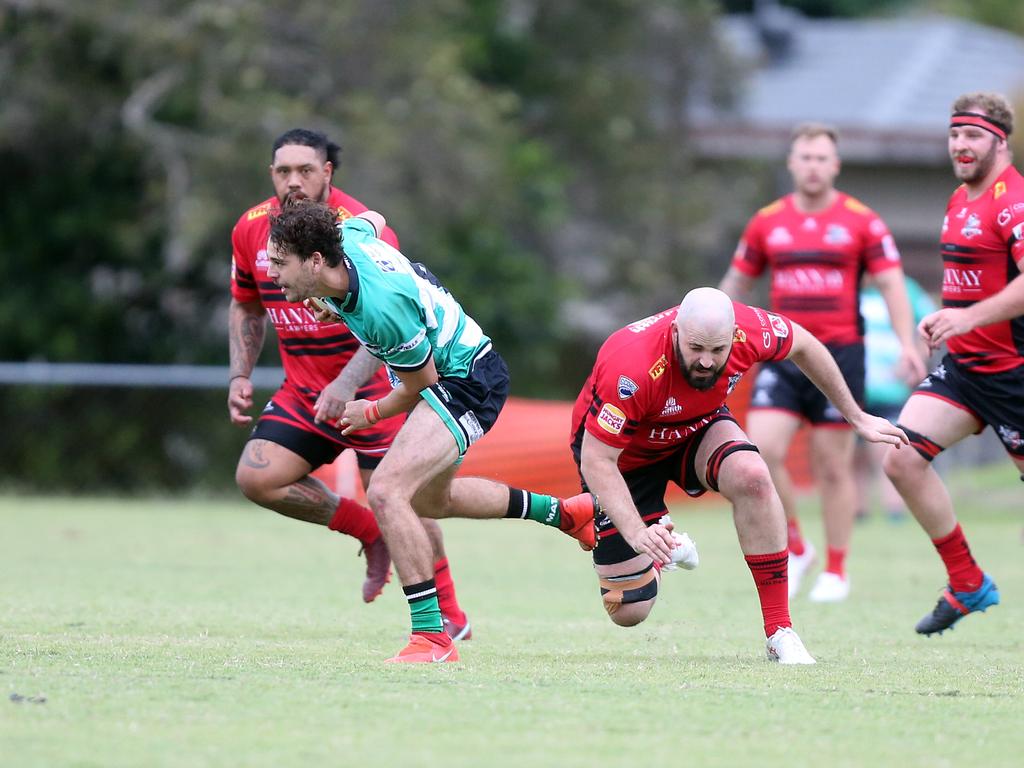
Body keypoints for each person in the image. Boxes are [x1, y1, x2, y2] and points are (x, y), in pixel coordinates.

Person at [264, 201, 600, 663]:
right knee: (428, 501)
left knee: (385, 490)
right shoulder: (351, 240)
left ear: (315, 261)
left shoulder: (383, 306)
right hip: (450, 373)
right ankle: (566, 514)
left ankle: (432, 637)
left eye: (280, 263)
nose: (272, 273)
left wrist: (371, 411)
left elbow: (421, 384)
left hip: (465, 379)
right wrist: (336, 305)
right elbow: (376, 217)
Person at [571, 287, 908, 664]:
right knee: (629, 610)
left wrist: (855, 415)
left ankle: (780, 631)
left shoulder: (752, 330)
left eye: (717, 351)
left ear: (734, 336)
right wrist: (636, 532)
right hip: (624, 458)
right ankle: (665, 543)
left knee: (753, 476)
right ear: (676, 333)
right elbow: (597, 459)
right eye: (696, 348)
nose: (706, 362)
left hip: (696, 427)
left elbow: (806, 344)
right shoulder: (631, 365)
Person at [228, 128, 470, 639]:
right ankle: (368, 534)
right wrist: (239, 374)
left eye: (305, 170)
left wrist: (345, 383)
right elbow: (246, 303)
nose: (293, 181)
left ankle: (450, 614)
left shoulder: (357, 229)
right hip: (302, 392)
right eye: (282, 171)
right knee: (257, 479)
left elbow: (391, 321)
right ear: (271, 173)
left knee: (407, 499)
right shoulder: (250, 229)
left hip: (375, 390)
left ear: (327, 172)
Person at [719, 122, 926, 603]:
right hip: (781, 352)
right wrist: (711, 326)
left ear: (835, 165)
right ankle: (795, 546)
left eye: (821, 158)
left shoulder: (861, 220)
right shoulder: (767, 221)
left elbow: (893, 283)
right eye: (804, 157)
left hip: (840, 358)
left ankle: (836, 568)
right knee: (761, 451)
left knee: (832, 466)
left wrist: (906, 343)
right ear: (791, 163)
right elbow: (736, 282)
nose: (812, 166)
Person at [883, 92, 1024, 635]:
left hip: (1014, 373)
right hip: (966, 371)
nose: (960, 145)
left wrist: (969, 319)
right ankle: (967, 582)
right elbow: (974, 285)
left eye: (972, 136)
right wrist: (946, 318)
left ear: (999, 140)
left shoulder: (1013, 200)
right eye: (954, 135)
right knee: (900, 456)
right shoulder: (959, 199)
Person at [856, 277, 936, 521]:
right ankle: (858, 514)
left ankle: (894, 514)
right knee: (852, 455)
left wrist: (917, 358)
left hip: (891, 387)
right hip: (850, 388)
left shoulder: (905, 288)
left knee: (886, 451)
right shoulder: (845, 284)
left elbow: (931, 323)